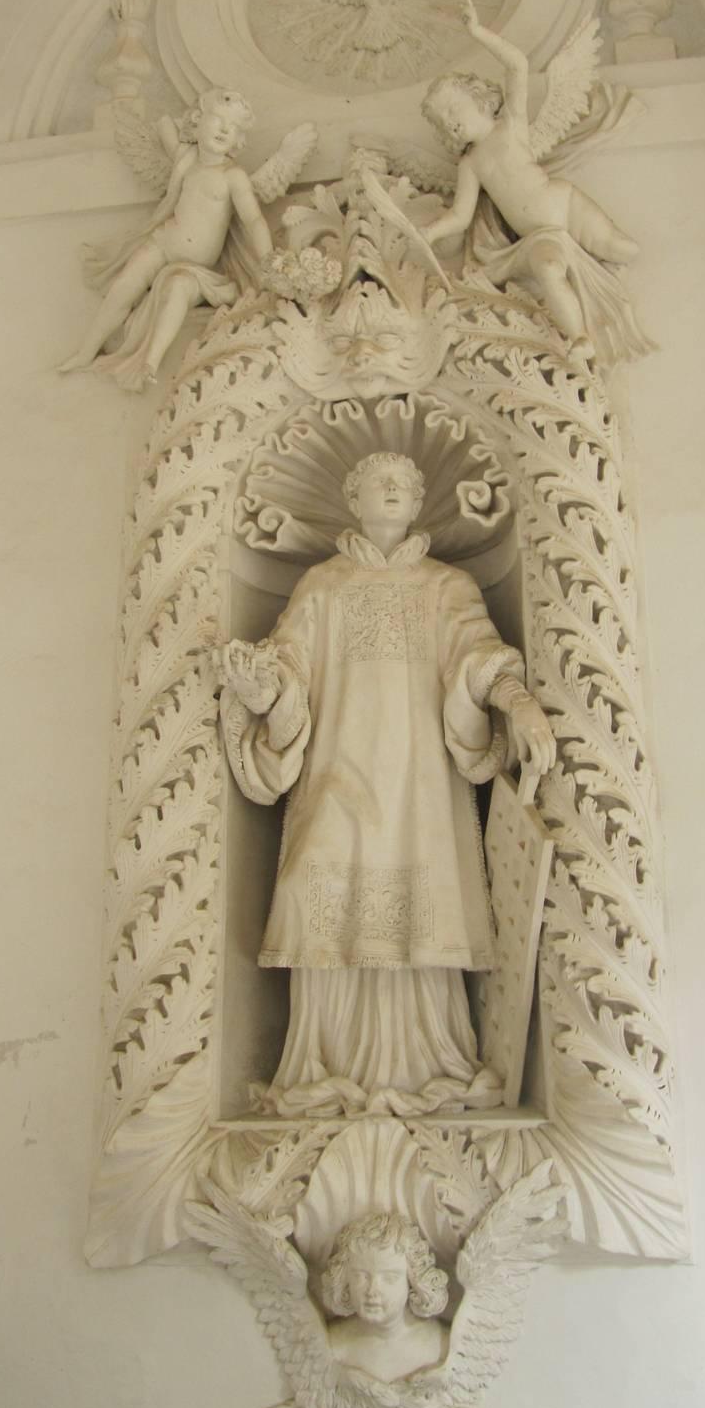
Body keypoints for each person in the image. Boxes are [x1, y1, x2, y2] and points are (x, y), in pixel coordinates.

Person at [218, 451, 555, 1116]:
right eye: (380, 481)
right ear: (354, 496)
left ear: (420, 500)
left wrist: (517, 702)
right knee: (326, 896)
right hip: (338, 774)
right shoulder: (322, 586)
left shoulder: (447, 586)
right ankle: (321, 1065)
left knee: (420, 909)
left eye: (406, 482)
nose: (395, 489)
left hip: (420, 786)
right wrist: (263, 688)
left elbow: (480, 658)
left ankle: (429, 1061)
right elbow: (288, 667)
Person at [419, 0, 650, 369]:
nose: (449, 121)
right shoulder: (471, 164)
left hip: (564, 203)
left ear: (477, 99)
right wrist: (431, 232)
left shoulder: (510, 125)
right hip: (539, 235)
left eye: (451, 108)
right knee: (548, 268)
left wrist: (478, 32)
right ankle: (580, 337)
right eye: (440, 121)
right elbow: (460, 216)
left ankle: (605, 275)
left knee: (622, 249)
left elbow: (517, 65)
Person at [58, 89, 271, 388]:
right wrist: (184, 127)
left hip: (196, 269)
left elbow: (253, 220)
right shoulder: (187, 159)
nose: (224, 129)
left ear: (238, 139)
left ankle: (150, 363)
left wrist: (269, 261)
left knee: (177, 289)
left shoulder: (232, 176)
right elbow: (165, 125)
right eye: (217, 119)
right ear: (197, 121)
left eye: (233, 126)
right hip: (162, 243)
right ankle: (87, 351)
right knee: (125, 285)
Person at [321, 1212, 449, 1383]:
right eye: (361, 1276)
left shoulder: (440, 1345)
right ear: (344, 1279)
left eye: (389, 1278)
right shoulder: (331, 1346)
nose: (372, 1290)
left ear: (412, 1281)